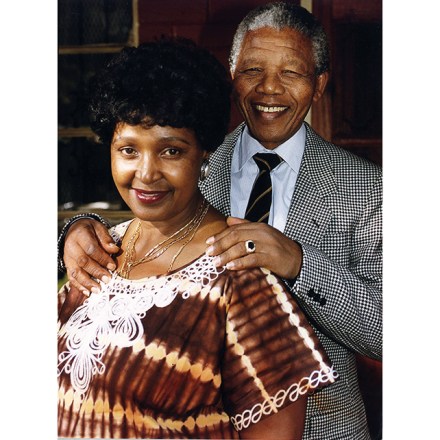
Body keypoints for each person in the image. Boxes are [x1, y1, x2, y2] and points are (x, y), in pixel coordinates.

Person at [58, 3, 382, 439]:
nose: (270, 88)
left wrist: (300, 263)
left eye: (290, 72)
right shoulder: (192, 156)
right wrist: (76, 228)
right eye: (252, 70)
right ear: (232, 75)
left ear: (319, 84)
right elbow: (148, 214)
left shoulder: (368, 188)